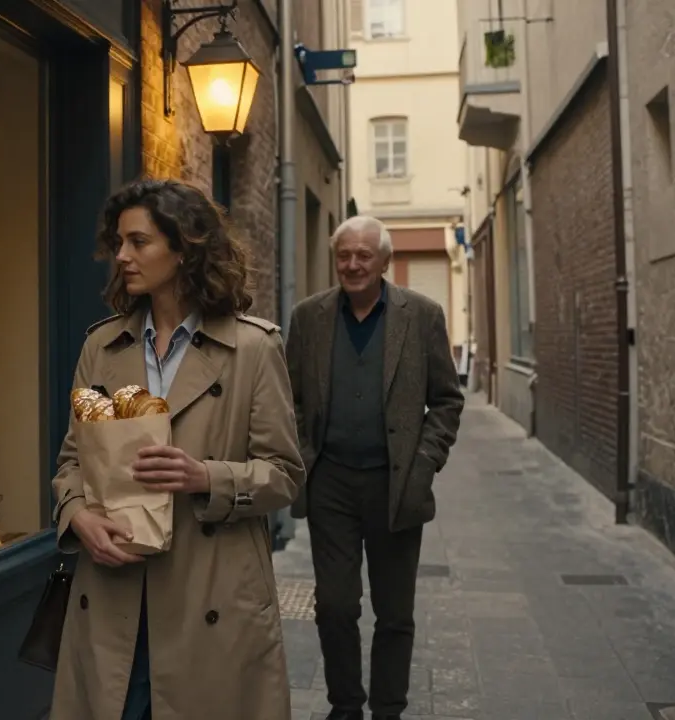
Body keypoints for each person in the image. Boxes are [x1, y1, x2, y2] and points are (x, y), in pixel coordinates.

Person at [49, 179, 305, 720]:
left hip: (210, 596)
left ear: (184, 246)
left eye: (138, 242)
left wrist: (204, 477)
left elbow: (284, 474)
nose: (122, 256)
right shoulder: (102, 345)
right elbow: (72, 460)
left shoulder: (254, 347)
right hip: (114, 593)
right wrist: (77, 518)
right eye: (119, 243)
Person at [285, 215, 464, 720]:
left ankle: (388, 708)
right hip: (331, 483)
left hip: (397, 484)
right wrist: (303, 454)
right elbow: (290, 397)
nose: (353, 264)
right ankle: (346, 705)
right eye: (344, 255)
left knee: (395, 613)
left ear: (385, 261)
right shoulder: (309, 317)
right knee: (336, 605)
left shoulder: (422, 315)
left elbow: (447, 401)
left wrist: (424, 464)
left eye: (364, 255)